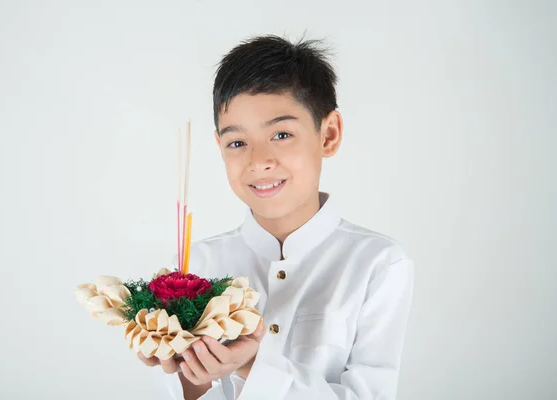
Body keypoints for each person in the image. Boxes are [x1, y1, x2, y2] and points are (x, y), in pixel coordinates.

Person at [138, 34, 414, 400]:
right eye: (237, 142)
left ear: (328, 134)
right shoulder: (190, 269)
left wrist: (251, 365)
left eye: (281, 134)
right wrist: (191, 375)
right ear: (220, 147)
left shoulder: (378, 264)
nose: (258, 161)